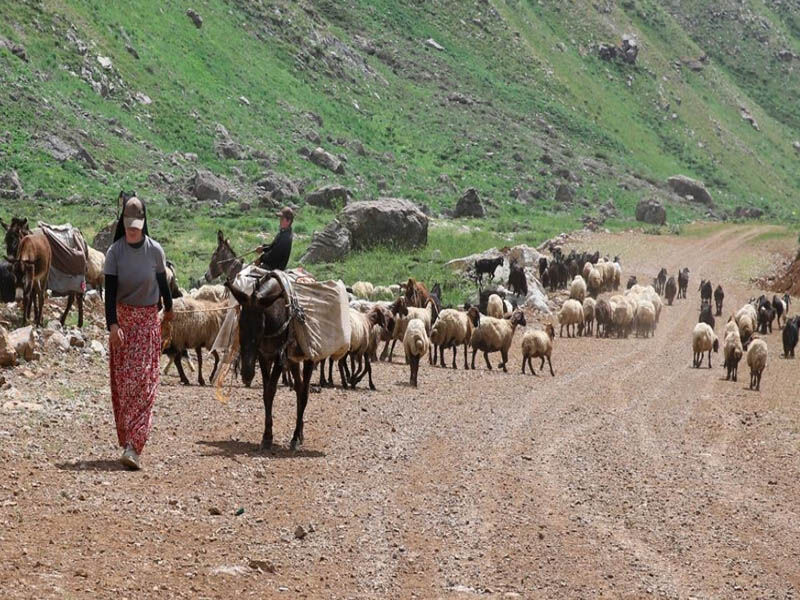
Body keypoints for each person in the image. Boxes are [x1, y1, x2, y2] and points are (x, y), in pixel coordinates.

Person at [103, 197, 173, 470]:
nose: (132, 230)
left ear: (144, 223)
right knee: (125, 386)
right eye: (128, 225)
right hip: (123, 323)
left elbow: (162, 285)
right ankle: (128, 439)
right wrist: (113, 326)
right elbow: (109, 294)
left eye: (137, 226)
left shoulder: (155, 251)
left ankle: (135, 446)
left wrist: (169, 310)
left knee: (143, 385)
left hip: (146, 324)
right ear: (122, 223)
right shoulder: (114, 253)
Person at [257, 206, 294, 271]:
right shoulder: (283, 232)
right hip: (272, 265)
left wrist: (261, 259)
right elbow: (273, 246)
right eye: (280, 219)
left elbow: (273, 256)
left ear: (288, 221)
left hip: (274, 268)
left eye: (282, 219)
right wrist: (263, 248)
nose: (280, 221)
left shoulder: (286, 237)